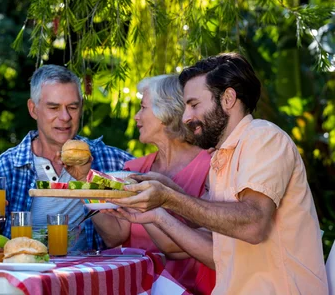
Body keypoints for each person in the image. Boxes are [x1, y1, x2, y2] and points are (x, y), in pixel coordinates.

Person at [111, 53, 328, 294]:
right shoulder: (222, 156)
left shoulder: (264, 137)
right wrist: (158, 207)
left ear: (228, 99)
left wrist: (167, 197)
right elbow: (215, 248)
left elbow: (253, 223)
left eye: (194, 105)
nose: (186, 117)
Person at [0, 65, 133, 250]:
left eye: (72, 107)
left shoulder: (112, 161)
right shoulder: (4, 168)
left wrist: (87, 181)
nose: (65, 117)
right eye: (54, 107)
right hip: (24, 274)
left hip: (84, 275)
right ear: (33, 109)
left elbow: (116, 238)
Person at [93, 74, 214, 294]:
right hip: (137, 287)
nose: (137, 116)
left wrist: (147, 203)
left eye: (143, 108)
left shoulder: (211, 166)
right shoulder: (134, 169)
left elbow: (182, 246)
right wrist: (87, 187)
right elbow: (115, 236)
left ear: (166, 113)